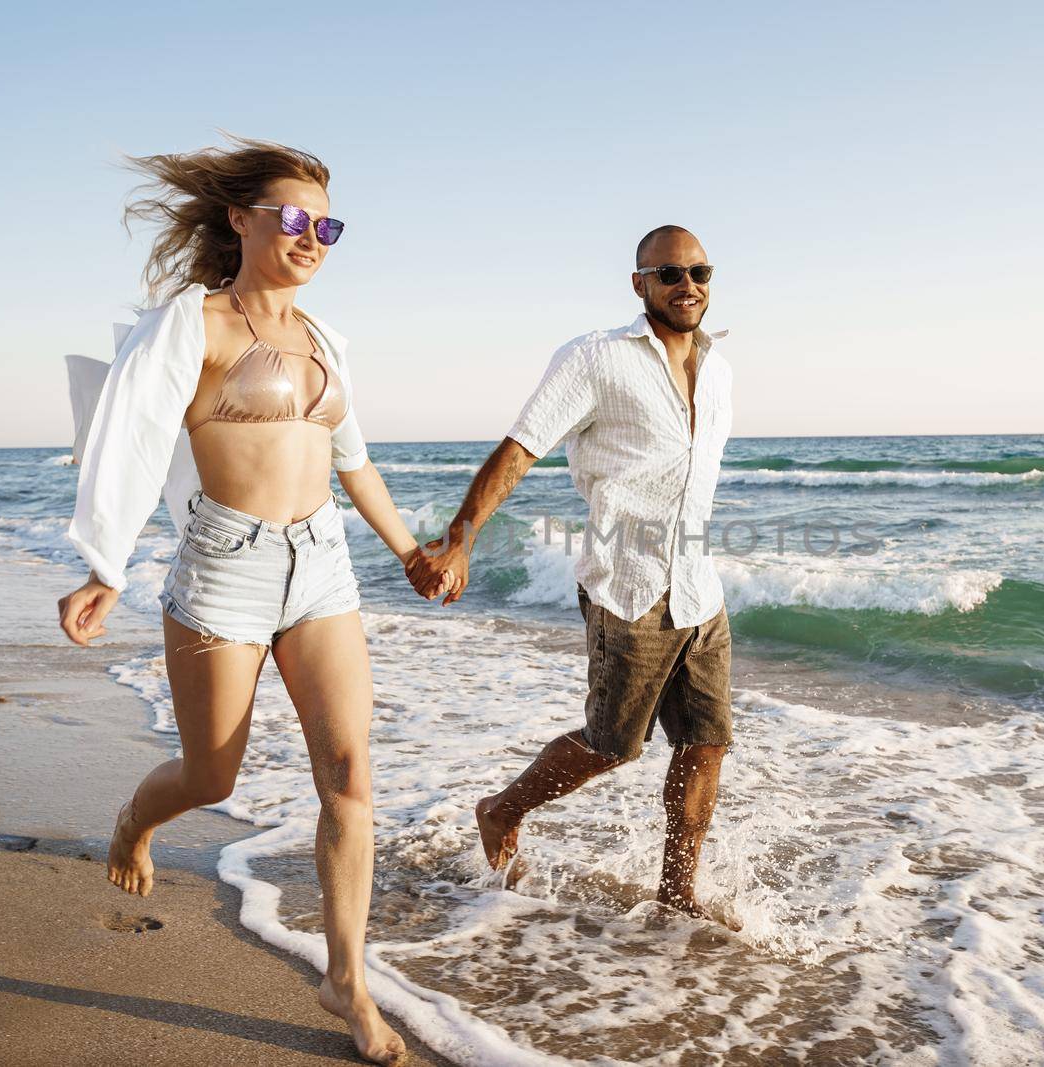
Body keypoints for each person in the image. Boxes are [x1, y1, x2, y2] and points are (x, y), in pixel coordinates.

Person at [58, 137, 445, 1064]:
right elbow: (131, 433)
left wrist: (409, 553)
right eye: (293, 217)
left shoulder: (324, 341)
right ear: (240, 219)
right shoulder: (195, 325)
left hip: (322, 568)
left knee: (351, 777)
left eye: (327, 224)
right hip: (223, 569)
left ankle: (346, 975)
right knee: (211, 777)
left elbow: (353, 459)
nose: (312, 236)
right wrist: (105, 561)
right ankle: (135, 820)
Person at [406, 225, 738, 925]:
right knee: (612, 743)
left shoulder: (720, 367)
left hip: (698, 586)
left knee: (706, 741)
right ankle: (501, 809)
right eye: (671, 274)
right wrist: (460, 539)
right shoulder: (596, 357)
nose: (689, 286)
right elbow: (521, 448)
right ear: (639, 282)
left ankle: (678, 891)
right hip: (627, 583)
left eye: (701, 272)